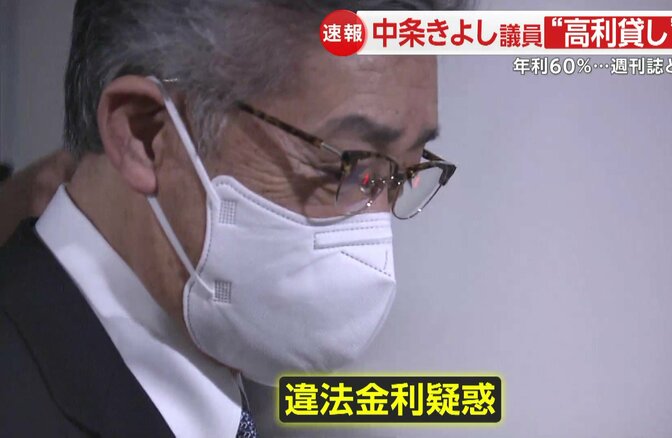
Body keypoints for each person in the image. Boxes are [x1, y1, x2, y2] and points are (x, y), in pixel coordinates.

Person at [0, 1, 463, 437]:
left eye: (401, 173)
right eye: (348, 163)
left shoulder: (240, 387)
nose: (375, 237)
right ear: (145, 135)